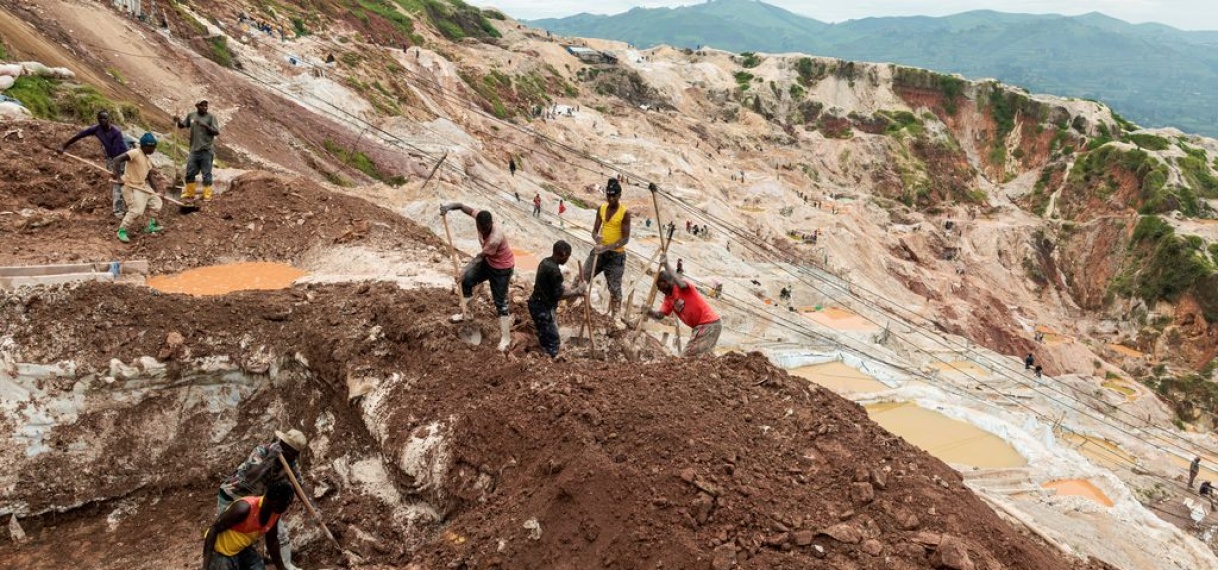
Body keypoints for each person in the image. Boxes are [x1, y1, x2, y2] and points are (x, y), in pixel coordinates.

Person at [218, 429, 308, 570]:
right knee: (231, 534)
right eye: (289, 451)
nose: (293, 457)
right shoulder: (263, 451)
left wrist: (312, 507)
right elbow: (249, 478)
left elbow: (300, 486)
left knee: (278, 533)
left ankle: (285, 565)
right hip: (234, 496)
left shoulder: (291, 464)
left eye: (295, 454)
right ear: (282, 445)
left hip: (261, 501)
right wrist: (270, 459)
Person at [439, 202, 516, 351]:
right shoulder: (480, 217)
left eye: (486, 228)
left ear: (491, 224)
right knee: (466, 281)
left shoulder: (494, 238)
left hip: (502, 269)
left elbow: (479, 257)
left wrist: (463, 271)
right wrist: (448, 208)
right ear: (478, 224)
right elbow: (462, 206)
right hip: (489, 262)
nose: (483, 230)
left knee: (501, 303)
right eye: (481, 228)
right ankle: (467, 314)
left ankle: (506, 338)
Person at [202, 480, 294, 570]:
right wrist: (205, 567)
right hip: (220, 551)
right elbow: (213, 529)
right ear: (271, 500)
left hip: (240, 549)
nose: (285, 508)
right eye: (283, 505)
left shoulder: (275, 512)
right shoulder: (244, 508)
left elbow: (272, 541)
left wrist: (281, 568)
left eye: (287, 505)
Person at [648, 254, 721, 357]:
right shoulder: (668, 299)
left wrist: (666, 265)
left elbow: (680, 282)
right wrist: (648, 311)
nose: (659, 289)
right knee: (700, 358)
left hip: (708, 324)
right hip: (702, 327)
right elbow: (660, 315)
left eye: (660, 285)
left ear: (667, 281)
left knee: (687, 358)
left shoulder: (683, 287)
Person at [60, 110, 130, 217]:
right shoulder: (96, 129)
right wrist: (64, 146)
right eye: (100, 118)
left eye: (105, 118)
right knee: (117, 183)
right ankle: (120, 210)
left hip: (122, 158)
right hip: (110, 158)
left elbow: (117, 155)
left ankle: (125, 208)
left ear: (109, 120)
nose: (102, 120)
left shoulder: (116, 132)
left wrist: (116, 172)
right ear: (98, 119)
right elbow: (79, 135)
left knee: (123, 181)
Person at [584, 178, 631, 320]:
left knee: (615, 289)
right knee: (582, 277)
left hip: (616, 256)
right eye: (608, 195)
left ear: (619, 195)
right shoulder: (602, 209)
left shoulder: (624, 213)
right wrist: (596, 239)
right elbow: (594, 231)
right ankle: (569, 305)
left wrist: (607, 248)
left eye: (613, 196)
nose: (610, 198)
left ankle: (616, 318)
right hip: (600, 252)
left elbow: (625, 239)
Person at [528, 240, 585, 357]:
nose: (568, 259)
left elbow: (553, 286)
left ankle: (543, 344)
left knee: (546, 332)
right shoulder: (554, 271)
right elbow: (559, 295)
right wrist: (577, 291)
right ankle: (548, 360)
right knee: (553, 342)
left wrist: (570, 290)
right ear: (563, 254)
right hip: (543, 309)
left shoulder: (545, 262)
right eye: (568, 256)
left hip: (535, 303)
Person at [110, 133, 163, 243]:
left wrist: (157, 191)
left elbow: (150, 177)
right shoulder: (135, 152)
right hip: (131, 185)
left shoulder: (147, 159)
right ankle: (122, 231)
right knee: (136, 211)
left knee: (157, 202)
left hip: (141, 185)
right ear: (145, 146)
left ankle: (150, 225)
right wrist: (119, 178)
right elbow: (116, 160)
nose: (153, 150)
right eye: (152, 147)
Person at [175, 100, 221, 201]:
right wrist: (178, 121)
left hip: (206, 150)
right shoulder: (191, 115)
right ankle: (190, 193)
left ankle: (207, 194)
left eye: (206, 106)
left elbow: (216, 132)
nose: (205, 107)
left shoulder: (211, 117)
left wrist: (205, 125)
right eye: (202, 106)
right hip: (194, 150)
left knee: (206, 174)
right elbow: (182, 125)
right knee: (190, 173)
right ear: (197, 106)